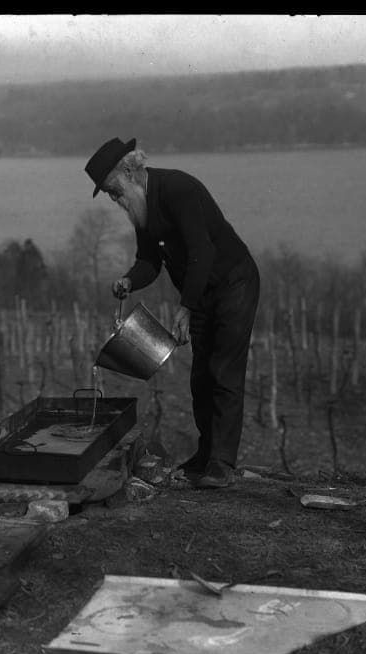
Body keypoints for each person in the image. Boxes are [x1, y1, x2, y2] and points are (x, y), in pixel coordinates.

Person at [84, 136, 261, 489]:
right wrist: (130, 280)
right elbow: (149, 261)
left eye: (113, 191)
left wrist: (186, 307)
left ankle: (222, 463)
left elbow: (201, 251)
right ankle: (206, 454)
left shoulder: (179, 188)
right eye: (109, 195)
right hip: (201, 291)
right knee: (201, 377)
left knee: (224, 371)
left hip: (234, 283)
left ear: (129, 172)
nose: (115, 200)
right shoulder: (141, 209)